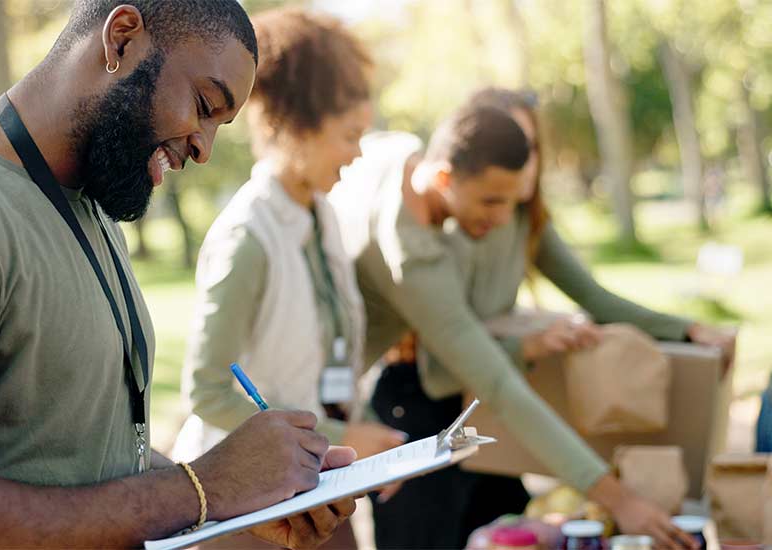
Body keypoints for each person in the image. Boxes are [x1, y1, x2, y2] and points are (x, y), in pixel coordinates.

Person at [0, 2, 359, 548]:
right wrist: (202, 489)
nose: (203, 147)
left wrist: (240, 499)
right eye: (203, 105)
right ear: (122, 39)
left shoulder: (92, 211)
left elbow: (85, 455)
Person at [328, 104, 699, 549]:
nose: (504, 219)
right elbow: (500, 386)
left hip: (352, 388)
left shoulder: (405, 155)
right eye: (491, 201)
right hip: (318, 397)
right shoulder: (411, 254)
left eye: (511, 201)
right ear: (444, 178)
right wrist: (621, 502)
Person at [170, 9, 406, 547]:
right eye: (349, 135)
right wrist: (347, 438)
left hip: (315, 489)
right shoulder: (247, 239)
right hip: (247, 510)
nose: (358, 153)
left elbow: (331, 365)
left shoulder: (323, 219)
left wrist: (369, 436)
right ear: (298, 128)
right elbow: (207, 393)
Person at [460, 87, 737, 370]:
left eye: (529, 148)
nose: (524, 164)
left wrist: (687, 329)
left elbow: (593, 296)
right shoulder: (455, 226)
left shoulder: (527, 219)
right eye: (507, 151)